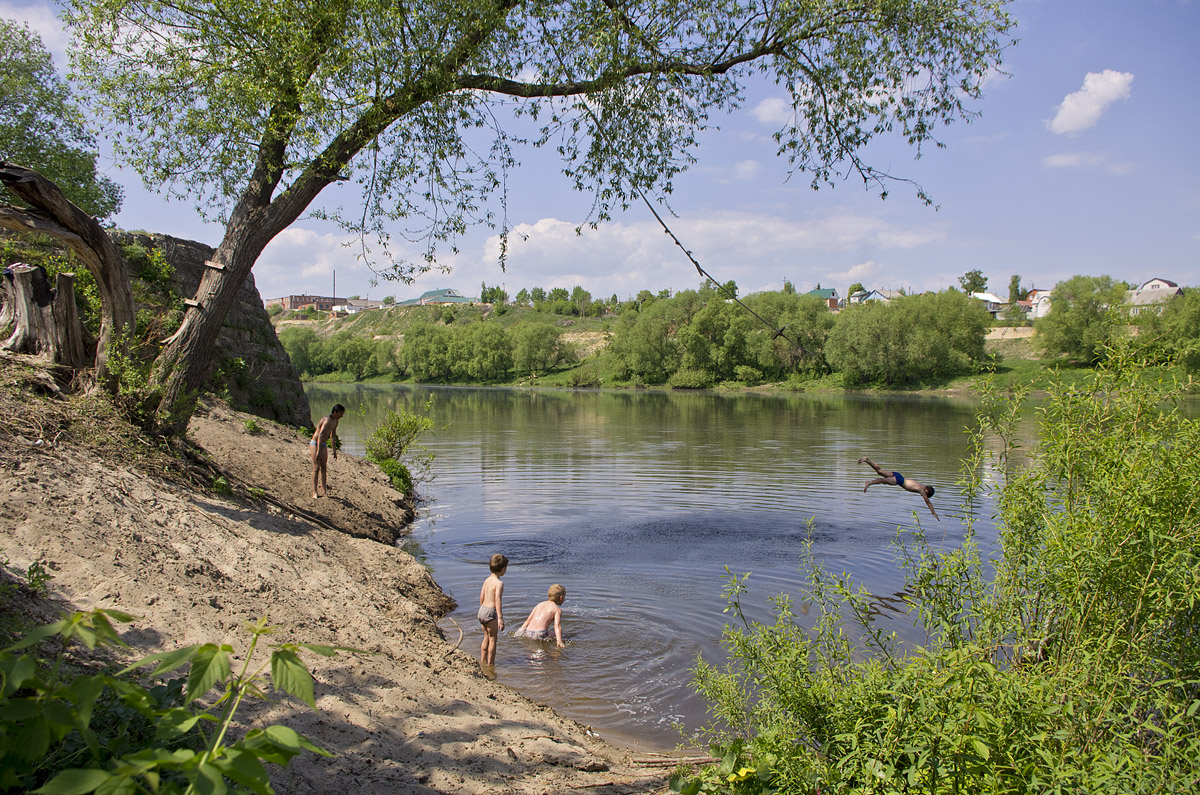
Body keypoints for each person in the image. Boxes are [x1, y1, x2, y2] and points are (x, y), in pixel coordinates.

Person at [859, 456, 939, 520]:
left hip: (899, 475)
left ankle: (867, 460)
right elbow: (928, 503)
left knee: (879, 471)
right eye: (926, 495)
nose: (924, 496)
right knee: (883, 480)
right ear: (927, 492)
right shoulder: (922, 490)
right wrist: (933, 513)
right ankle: (869, 483)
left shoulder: (922, 485)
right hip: (899, 481)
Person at [478, 553, 508, 666]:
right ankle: (491, 664)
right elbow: (497, 601)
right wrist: (500, 618)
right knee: (493, 639)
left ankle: (483, 660)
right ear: (503, 569)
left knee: (485, 636)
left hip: (482, 610)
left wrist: (482, 608)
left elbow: (481, 597)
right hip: (490, 611)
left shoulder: (487, 580)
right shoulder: (499, 583)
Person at [310, 404, 345, 499]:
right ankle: (314, 491)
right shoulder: (327, 419)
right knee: (316, 467)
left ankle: (324, 491)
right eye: (341, 413)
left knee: (324, 467)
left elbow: (332, 436)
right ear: (335, 412)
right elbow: (321, 435)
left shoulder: (335, 421)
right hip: (315, 443)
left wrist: (334, 451)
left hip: (323, 444)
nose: (342, 416)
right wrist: (318, 451)